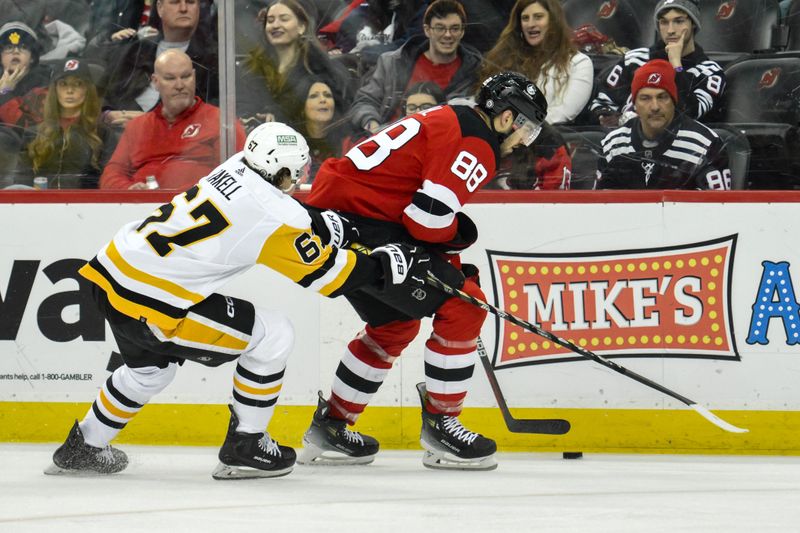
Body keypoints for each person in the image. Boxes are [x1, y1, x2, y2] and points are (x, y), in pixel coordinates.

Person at [44, 121, 429, 478]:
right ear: (282, 172)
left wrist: (322, 224)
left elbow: (266, 209)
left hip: (109, 273)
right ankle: (246, 445)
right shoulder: (276, 215)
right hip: (155, 301)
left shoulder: (235, 165)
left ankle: (83, 448)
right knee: (274, 333)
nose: (299, 178)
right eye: (296, 171)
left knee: (151, 372)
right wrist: (385, 265)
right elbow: (328, 277)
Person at [297, 71, 549, 471]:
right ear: (507, 118)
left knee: (396, 323)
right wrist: (453, 241)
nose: (523, 141)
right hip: (363, 224)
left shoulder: (451, 118)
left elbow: (415, 214)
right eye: (527, 129)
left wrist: (447, 255)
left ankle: (332, 428)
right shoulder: (478, 142)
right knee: (467, 307)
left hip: (337, 222)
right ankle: (442, 426)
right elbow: (427, 221)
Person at [99, 49, 245, 190]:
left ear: (194, 77)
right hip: (142, 209)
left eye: (186, 76)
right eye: (170, 78)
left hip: (196, 208)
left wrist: (183, 195)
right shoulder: (137, 126)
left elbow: (239, 173)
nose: (180, 85)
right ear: (155, 82)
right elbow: (111, 175)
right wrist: (129, 190)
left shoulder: (222, 121)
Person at [349, 0, 483, 135]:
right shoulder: (393, 62)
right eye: (440, 28)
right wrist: (374, 127)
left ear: (462, 32)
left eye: (454, 28)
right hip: (387, 141)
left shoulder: (475, 72)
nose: (447, 35)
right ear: (427, 30)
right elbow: (365, 101)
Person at [596, 59, 731, 190]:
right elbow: (600, 207)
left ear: (674, 101)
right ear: (634, 105)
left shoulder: (705, 145)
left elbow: (718, 209)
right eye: (645, 98)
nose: (655, 107)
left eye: (662, 97)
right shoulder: (613, 144)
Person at [590, 0, 725, 128]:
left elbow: (690, 114)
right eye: (664, 22)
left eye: (679, 21)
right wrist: (613, 118)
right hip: (626, 144)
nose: (670, 30)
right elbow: (602, 102)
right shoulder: (634, 59)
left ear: (693, 23)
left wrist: (676, 65)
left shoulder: (710, 72)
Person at [86, 0, 218, 129]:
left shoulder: (214, 58)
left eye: (190, 2)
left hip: (178, 142)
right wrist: (107, 115)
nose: (183, 8)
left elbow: (217, 114)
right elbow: (99, 96)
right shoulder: (135, 50)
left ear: (199, 8)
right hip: (118, 133)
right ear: (159, 8)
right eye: (175, 2)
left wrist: (152, 122)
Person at [236, 0, 354, 131]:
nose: (275, 25)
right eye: (270, 20)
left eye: (284, 19)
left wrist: (277, 116)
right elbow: (241, 105)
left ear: (301, 27)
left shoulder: (322, 69)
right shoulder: (249, 68)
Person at [479, 0, 593, 125]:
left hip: (548, 137)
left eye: (538, 17)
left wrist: (516, 126)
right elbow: (481, 100)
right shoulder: (504, 58)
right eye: (525, 18)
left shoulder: (579, 63)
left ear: (553, 21)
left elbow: (564, 113)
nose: (531, 24)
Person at [16, 58, 116, 189]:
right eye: (63, 84)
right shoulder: (34, 133)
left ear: (87, 90)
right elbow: (21, 182)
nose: (70, 90)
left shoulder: (103, 133)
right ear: (55, 90)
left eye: (78, 84)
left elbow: (108, 180)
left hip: (85, 206)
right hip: (39, 205)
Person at [296, 77, 354, 182]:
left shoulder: (348, 143)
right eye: (314, 96)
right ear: (302, 108)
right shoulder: (293, 143)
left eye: (328, 95)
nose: (323, 100)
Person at [0, 22, 51, 130]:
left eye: (23, 47)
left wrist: (4, 93)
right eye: (9, 47)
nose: (15, 51)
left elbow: (27, 129)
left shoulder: (44, 86)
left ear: (32, 57)